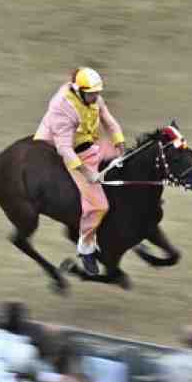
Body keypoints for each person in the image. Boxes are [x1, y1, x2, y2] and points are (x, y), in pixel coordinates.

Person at [32, 67, 126, 279]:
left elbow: (109, 122)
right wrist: (86, 173)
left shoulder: (93, 98)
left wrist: (121, 145)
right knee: (99, 205)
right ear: (79, 91)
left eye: (97, 92)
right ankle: (86, 249)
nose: (96, 97)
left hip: (87, 144)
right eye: (92, 93)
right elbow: (65, 149)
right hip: (66, 151)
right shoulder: (62, 108)